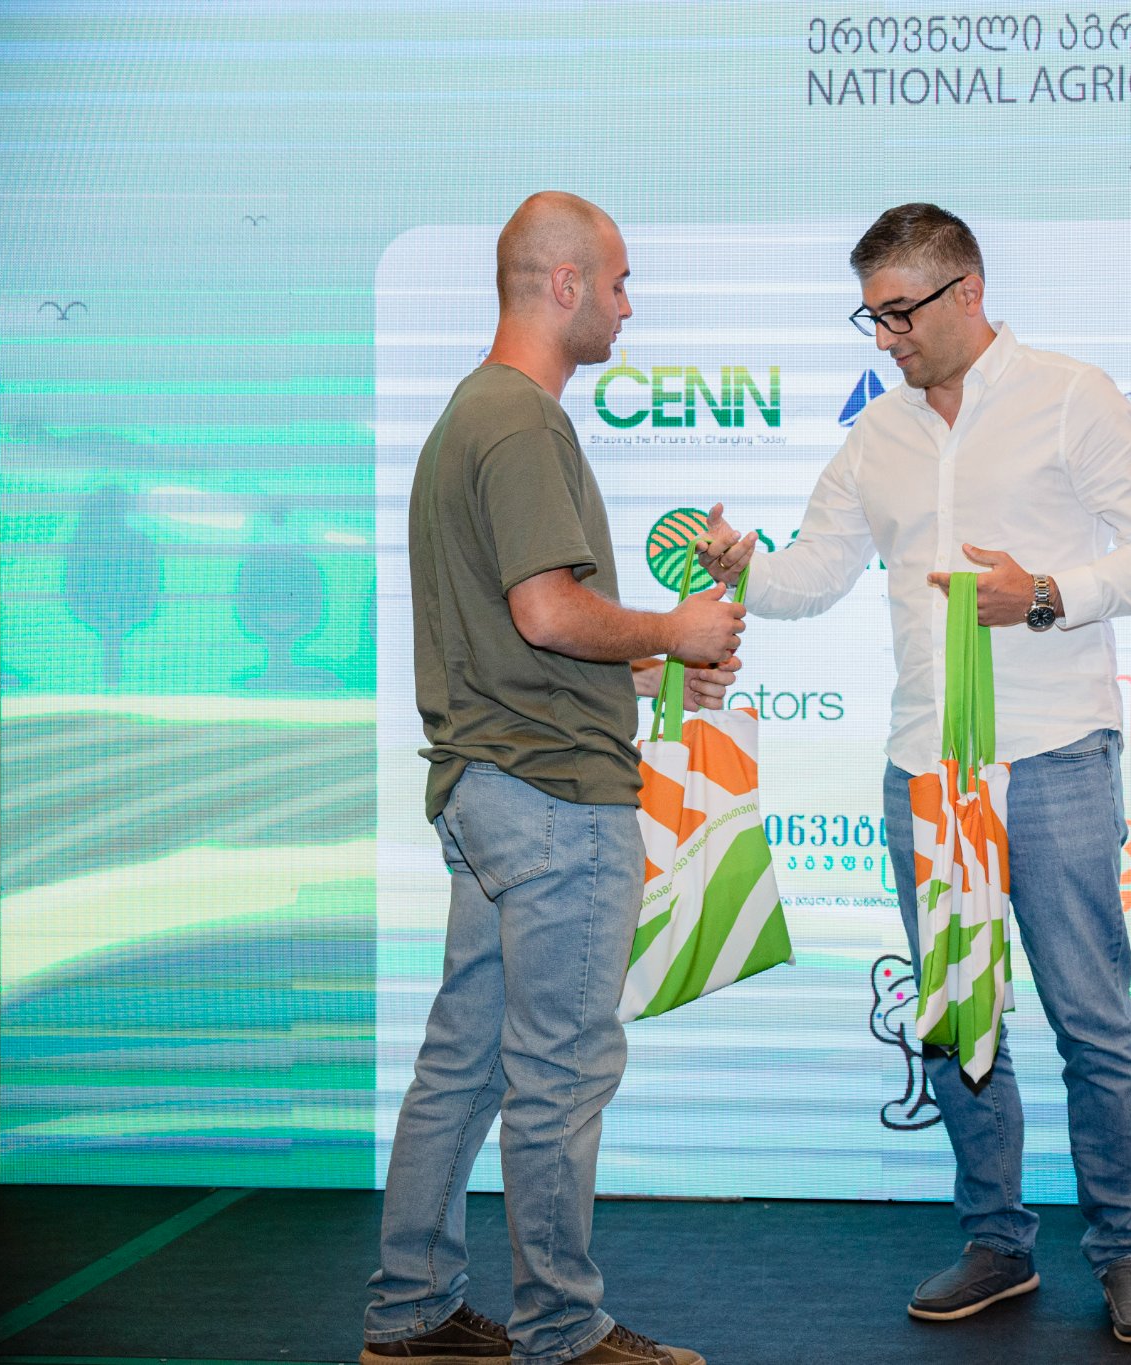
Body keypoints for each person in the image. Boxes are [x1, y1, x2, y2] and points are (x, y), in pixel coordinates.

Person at [694, 203, 1131, 1345]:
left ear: (966, 290)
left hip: (1054, 755)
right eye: (870, 318)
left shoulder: (1071, 395)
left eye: (900, 313)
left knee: (1091, 1018)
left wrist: (1046, 595)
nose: (885, 339)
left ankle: (1125, 1250)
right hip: (925, 769)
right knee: (956, 1013)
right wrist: (742, 566)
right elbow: (812, 577)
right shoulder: (876, 434)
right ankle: (995, 1241)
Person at [362, 191, 743, 1365]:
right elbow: (544, 610)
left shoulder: (471, 416)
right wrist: (672, 631)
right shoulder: (521, 422)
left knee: (463, 1067)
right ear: (564, 284)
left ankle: (409, 1313)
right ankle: (562, 1331)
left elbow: (512, 635)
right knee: (558, 1078)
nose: (629, 306)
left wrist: (644, 672)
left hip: (489, 786)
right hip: (552, 799)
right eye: (618, 283)